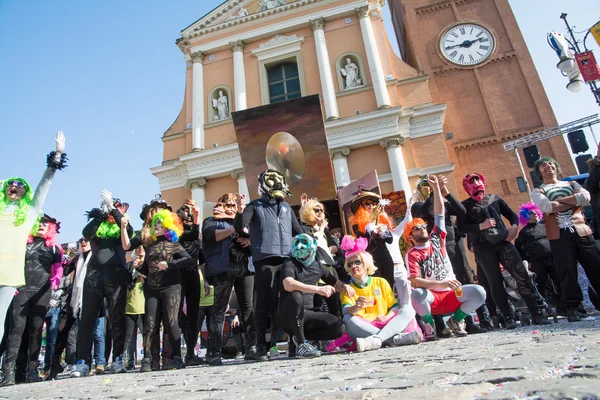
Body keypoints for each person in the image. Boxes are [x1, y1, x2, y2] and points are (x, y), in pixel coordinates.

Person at [458, 173, 550, 329]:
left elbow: (512, 215)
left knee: (522, 276)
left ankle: (536, 313)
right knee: (495, 283)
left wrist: (513, 229)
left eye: (478, 183)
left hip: (503, 242)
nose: (476, 187)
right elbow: (461, 227)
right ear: (467, 189)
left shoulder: (494, 199)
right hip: (483, 248)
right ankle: (508, 318)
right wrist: (481, 226)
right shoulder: (465, 206)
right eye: (471, 184)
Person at [0, 131, 66, 343]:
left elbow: (43, 187)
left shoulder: (29, 213)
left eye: (20, 185)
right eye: (11, 183)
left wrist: (56, 157)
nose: (15, 186)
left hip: (9, 271)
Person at [407, 175, 487, 340]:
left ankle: (456, 321)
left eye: (423, 226)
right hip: (433, 298)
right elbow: (414, 282)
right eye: (416, 228)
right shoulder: (412, 253)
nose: (421, 228)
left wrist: (438, 188)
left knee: (479, 291)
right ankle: (431, 326)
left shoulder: (437, 238)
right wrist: (441, 284)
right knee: (416, 295)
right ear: (410, 236)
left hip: (451, 294)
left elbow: (440, 213)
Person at [234, 169, 303, 361]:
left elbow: (298, 231)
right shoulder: (255, 205)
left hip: (287, 259)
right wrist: (239, 211)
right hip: (265, 259)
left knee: (289, 302)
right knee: (266, 304)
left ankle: (288, 344)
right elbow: (240, 227)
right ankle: (262, 348)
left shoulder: (287, 208)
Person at [70, 192, 134, 378]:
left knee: (117, 319)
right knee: (87, 319)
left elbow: (128, 236)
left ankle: (117, 359)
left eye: (117, 205)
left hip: (116, 276)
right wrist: (101, 214)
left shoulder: (123, 225)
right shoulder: (98, 227)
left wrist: (114, 209)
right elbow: (86, 233)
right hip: (94, 275)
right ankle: (82, 362)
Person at [121, 209, 193, 372]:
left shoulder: (173, 244)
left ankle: (176, 357)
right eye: (156, 224)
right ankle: (147, 359)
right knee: (150, 324)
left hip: (171, 287)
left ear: (168, 226)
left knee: (171, 321)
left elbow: (188, 260)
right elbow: (136, 256)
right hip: (152, 288)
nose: (157, 226)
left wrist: (170, 264)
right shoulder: (149, 244)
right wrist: (142, 272)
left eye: (161, 223)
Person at [531, 157, 600, 322]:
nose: (548, 166)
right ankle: (573, 308)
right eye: (543, 165)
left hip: (581, 230)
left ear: (556, 166)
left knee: (596, 266)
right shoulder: (538, 191)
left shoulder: (570, 184)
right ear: (539, 172)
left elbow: (585, 198)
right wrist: (573, 201)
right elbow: (547, 207)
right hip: (559, 235)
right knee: (567, 271)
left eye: (550, 163)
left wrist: (559, 201)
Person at [0, 214, 63, 386]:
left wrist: (56, 279)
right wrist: (10, 284)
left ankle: (32, 371)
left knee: (36, 330)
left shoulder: (54, 248)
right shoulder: (22, 243)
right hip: (21, 289)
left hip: (42, 292)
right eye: (39, 222)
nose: (42, 225)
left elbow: (58, 269)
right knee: (16, 331)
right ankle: (10, 373)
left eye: (46, 223)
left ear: (51, 227)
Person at [341, 237, 421, 353]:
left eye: (357, 262)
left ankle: (377, 340)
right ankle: (396, 339)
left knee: (407, 309)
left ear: (366, 263)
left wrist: (387, 317)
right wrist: (356, 307)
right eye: (350, 264)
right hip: (365, 327)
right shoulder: (347, 288)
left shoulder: (381, 282)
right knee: (348, 319)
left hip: (387, 323)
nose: (353, 266)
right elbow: (345, 311)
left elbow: (394, 306)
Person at [202, 193, 255, 365]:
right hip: (222, 268)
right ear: (222, 206)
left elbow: (256, 239)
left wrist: (249, 241)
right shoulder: (211, 221)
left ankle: (251, 347)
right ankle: (214, 351)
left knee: (247, 308)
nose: (232, 208)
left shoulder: (245, 221)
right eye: (229, 205)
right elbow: (213, 236)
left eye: (235, 205)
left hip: (244, 267)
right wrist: (235, 226)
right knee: (218, 310)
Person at [279, 234, 351, 358]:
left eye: (304, 243)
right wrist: (318, 289)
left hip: (308, 314)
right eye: (298, 243)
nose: (301, 246)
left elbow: (336, 283)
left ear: (314, 248)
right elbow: (288, 284)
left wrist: (346, 287)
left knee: (338, 328)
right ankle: (301, 343)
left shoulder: (318, 266)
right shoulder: (289, 263)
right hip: (289, 316)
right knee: (296, 295)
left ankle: (300, 338)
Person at [45, 237, 91, 380]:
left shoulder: (95, 257)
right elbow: (65, 271)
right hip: (74, 298)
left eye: (86, 241)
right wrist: (60, 261)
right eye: (81, 241)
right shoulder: (78, 258)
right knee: (62, 329)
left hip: (89, 297)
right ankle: (55, 364)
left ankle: (83, 362)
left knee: (85, 332)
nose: (83, 243)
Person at [298, 196, 343, 316]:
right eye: (316, 210)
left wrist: (333, 248)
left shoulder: (325, 231)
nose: (319, 213)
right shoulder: (304, 229)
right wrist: (322, 228)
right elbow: (311, 244)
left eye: (321, 210)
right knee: (316, 306)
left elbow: (337, 248)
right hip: (314, 272)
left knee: (335, 305)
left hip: (329, 270)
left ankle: (337, 330)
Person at [514, 202, 561, 308]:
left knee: (560, 280)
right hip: (537, 261)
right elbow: (518, 248)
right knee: (540, 284)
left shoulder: (545, 224)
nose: (534, 213)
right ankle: (542, 306)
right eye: (531, 213)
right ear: (525, 215)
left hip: (552, 258)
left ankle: (565, 304)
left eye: (535, 211)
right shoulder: (524, 232)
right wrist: (526, 262)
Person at [175, 199, 204, 366]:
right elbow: (191, 233)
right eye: (185, 211)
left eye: (190, 212)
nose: (188, 214)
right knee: (177, 316)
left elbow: (202, 259)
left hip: (193, 274)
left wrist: (205, 281)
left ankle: (191, 353)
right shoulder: (175, 233)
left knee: (194, 315)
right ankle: (175, 354)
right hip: (178, 275)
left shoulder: (196, 236)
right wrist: (197, 216)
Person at [124, 247, 145, 370]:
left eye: (142, 248)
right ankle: (130, 361)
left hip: (144, 305)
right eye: (137, 248)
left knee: (146, 335)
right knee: (130, 337)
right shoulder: (129, 265)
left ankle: (148, 358)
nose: (140, 250)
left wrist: (141, 269)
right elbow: (126, 282)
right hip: (130, 305)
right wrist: (133, 269)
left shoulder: (149, 263)